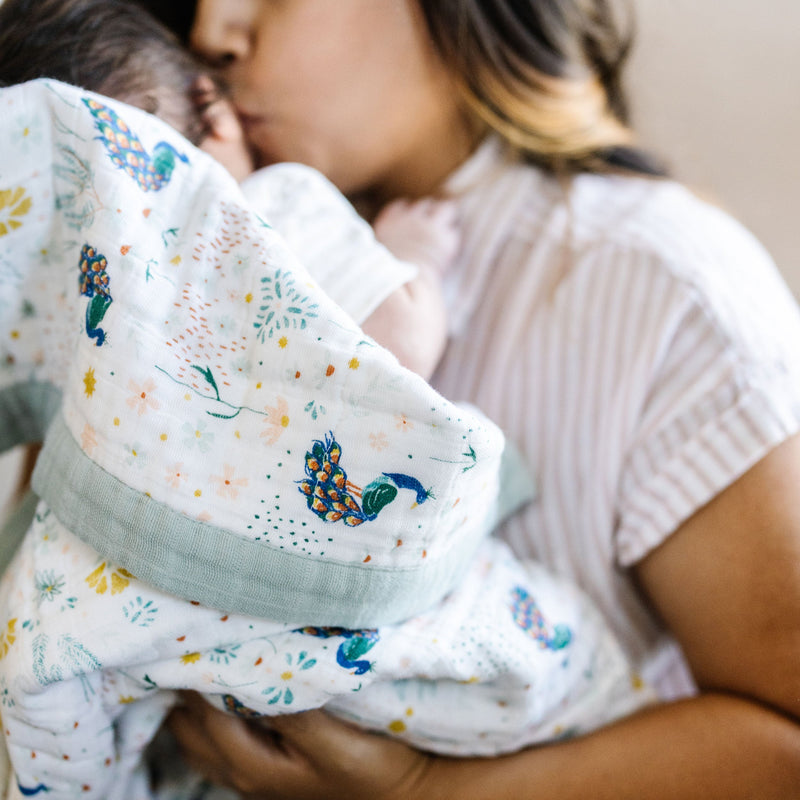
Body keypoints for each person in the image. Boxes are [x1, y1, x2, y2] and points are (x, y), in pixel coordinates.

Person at [0, 1, 655, 798]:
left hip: (132, 622)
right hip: (330, 614)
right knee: (550, 650)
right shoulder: (265, 209)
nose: (216, 29)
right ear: (211, 111)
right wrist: (406, 257)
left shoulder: (91, 312)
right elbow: (400, 338)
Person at [156, 1, 800, 798]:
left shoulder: (661, 288)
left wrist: (425, 791)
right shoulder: (201, 272)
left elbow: (787, 744)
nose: (212, 31)